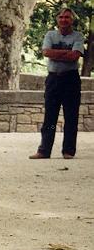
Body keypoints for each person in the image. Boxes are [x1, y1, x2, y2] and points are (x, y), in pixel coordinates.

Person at [30, 8, 84, 160]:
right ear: (57, 20)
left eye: (67, 17)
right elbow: (46, 52)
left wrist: (56, 52)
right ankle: (44, 151)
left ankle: (68, 151)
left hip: (71, 80)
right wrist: (64, 53)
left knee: (71, 116)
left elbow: (75, 56)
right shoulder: (50, 34)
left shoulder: (78, 36)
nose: (64, 20)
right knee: (50, 117)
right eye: (61, 17)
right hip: (53, 79)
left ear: (72, 20)